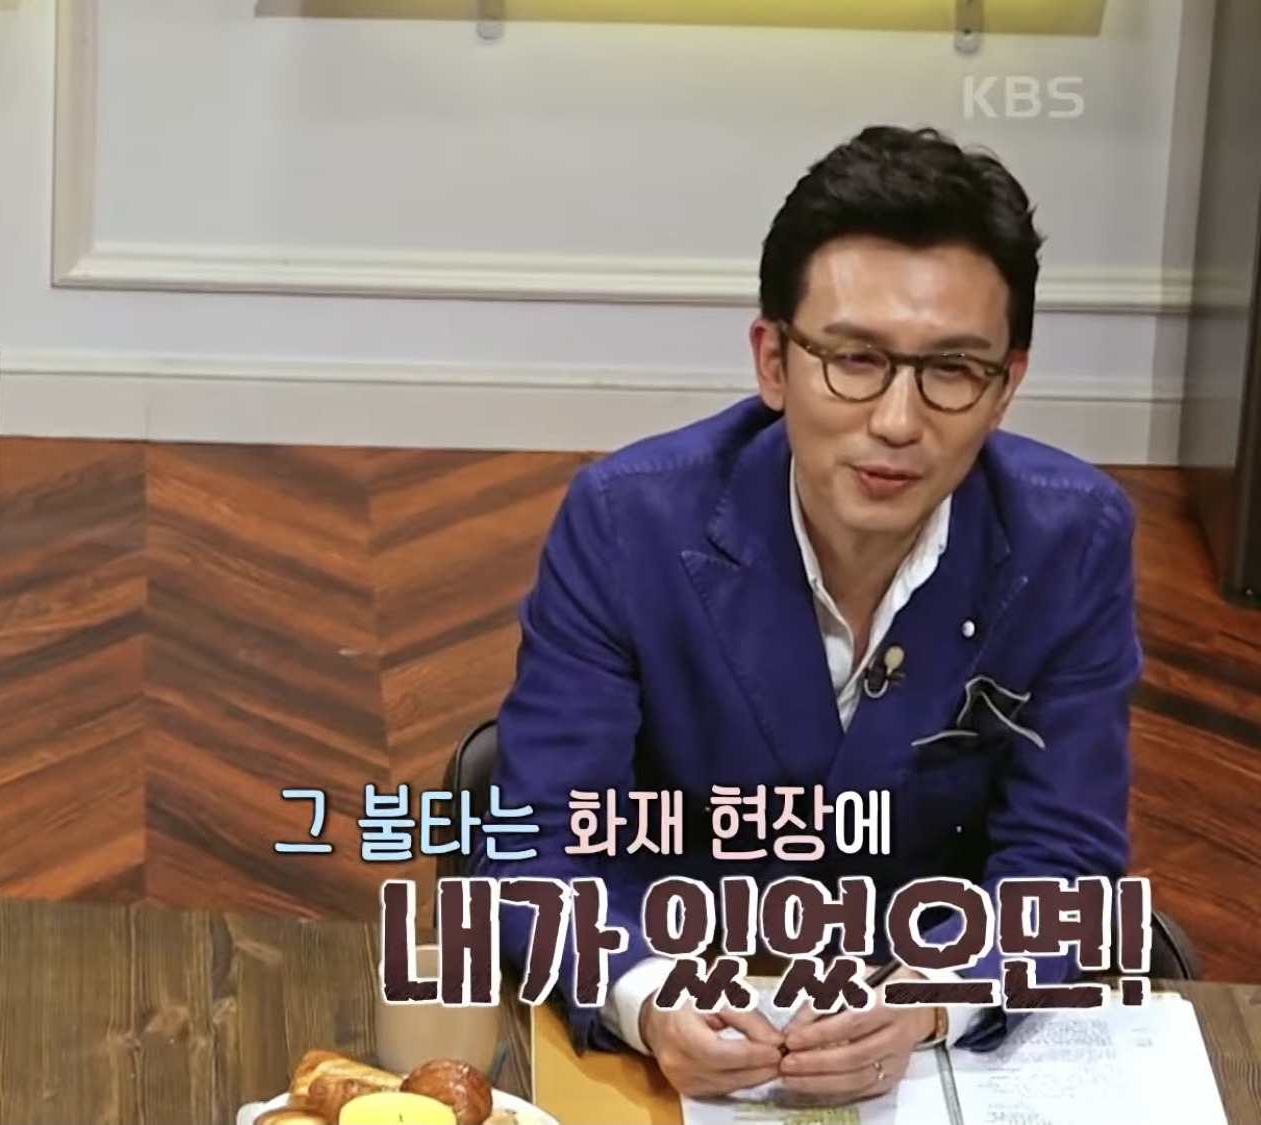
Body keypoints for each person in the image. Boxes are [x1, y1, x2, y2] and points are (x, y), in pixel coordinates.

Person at [475, 125, 1138, 1103]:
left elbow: (1066, 861)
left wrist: (930, 995)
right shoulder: (627, 521)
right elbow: (538, 835)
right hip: (683, 1003)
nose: (898, 422)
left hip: (921, 1048)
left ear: (1007, 387)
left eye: (953, 370)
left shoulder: (1071, 539)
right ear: (773, 361)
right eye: (854, 359)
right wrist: (647, 996)